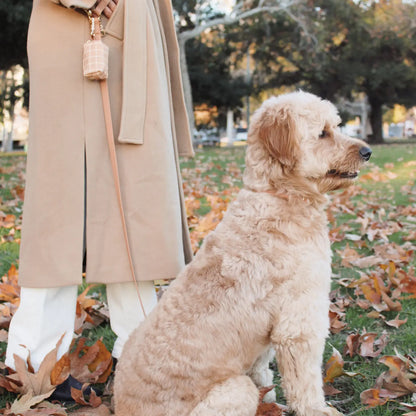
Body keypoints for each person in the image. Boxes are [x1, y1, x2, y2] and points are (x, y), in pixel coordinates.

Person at [5, 0, 194, 399]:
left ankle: (141, 354)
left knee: (133, 197)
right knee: (60, 199)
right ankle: (34, 360)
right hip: (81, 26)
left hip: (129, 31)